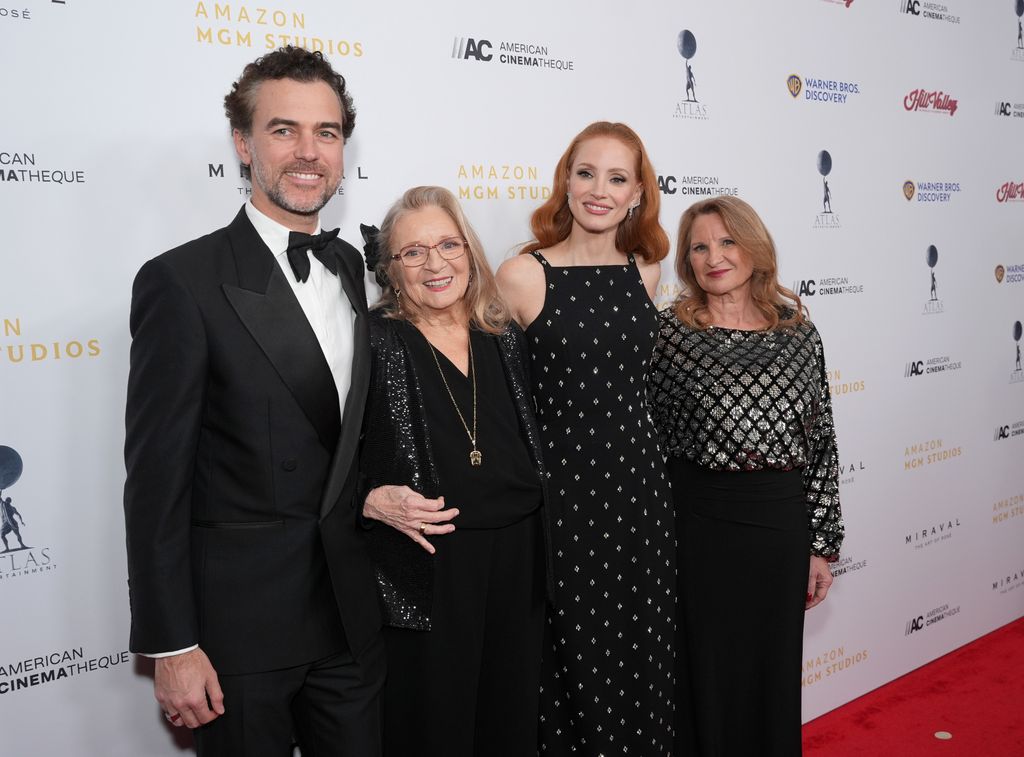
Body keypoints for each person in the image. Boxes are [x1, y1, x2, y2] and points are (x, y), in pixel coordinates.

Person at [123, 46, 384, 756]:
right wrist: (172, 642)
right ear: (243, 143)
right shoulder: (182, 281)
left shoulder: (353, 267)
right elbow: (155, 483)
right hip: (240, 633)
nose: (308, 152)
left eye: (326, 132)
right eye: (283, 129)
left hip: (350, 620)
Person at [496, 122, 675, 755]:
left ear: (637, 194)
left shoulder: (648, 272)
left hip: (641, 491)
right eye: (587, 173)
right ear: (566, 180)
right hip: (563, 494)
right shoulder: (522, 275)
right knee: (572, 648)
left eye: (617, 178)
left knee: (639, 639)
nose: (600, 190)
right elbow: (495, 398)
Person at [648, 195, 844, 756]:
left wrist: (822, 544)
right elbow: (653, 442)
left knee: (772, 669)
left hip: (779, 525)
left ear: (754, 247)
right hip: (701, 524)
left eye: (727, 241)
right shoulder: (671, 336)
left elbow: (821, 438)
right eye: (700, 247)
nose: (715, 257)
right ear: (686, 262)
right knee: (703, 669)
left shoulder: (797, 332)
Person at [358, 186, 551, 756]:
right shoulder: (373, 340)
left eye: (448, 244)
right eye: (413, 253)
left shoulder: (503, 334)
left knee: (511, 722)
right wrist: (367, 498)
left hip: (519, 559)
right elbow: (323, 451)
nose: (435, 263)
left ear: (469, 251)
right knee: (434, 728)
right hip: (432, 564)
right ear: (391, 271)